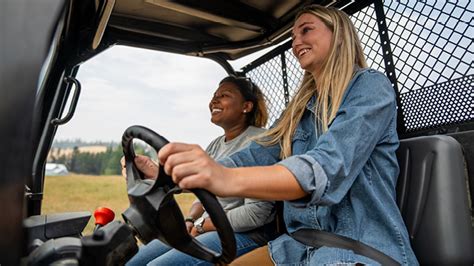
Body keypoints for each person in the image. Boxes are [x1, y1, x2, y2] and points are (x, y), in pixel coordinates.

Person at [155, 4, 418, 265]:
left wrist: (227, 178)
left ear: (338, 35)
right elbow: (259, 152)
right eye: (293, 37)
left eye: (306, 31)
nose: (296, 43)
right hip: (298, 246)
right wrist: (171, 172)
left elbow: (324, 168)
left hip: (358, 247)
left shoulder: (369, 86)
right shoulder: (297, 109)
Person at [125, 75, 276, 265]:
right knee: (132, 262)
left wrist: (203, 225)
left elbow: (256, 214)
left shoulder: (260, 142)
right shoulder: (216, 145)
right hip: (210, 227)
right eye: (214, 95)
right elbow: (202, 195)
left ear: (246, 106)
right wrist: (190, 220)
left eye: (225, 95)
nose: (214, 100)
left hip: (245, 234)